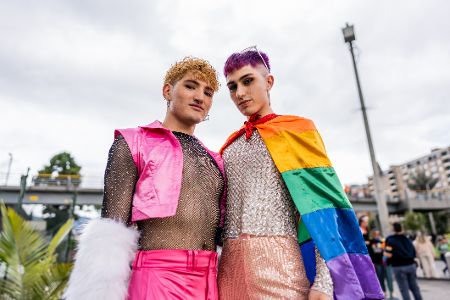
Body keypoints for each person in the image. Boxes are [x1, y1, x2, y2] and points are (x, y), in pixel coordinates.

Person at [217, 47, 383, 300]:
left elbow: (322, 209)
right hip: (229, 274)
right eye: (232, 87)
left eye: (248, 81)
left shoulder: (297, 131)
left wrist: (325, 281)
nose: (240, 93)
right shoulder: (229, 146)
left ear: (269, 81)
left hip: (281, 271)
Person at [64, 57, 226, 300]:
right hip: (157, 277)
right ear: (168, 90)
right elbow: (111, 233)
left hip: (209, 281)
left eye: (208, 92)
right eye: (191, 86)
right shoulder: (132, 142)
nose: (200, 97)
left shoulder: (217, 160)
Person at [385, 223, 423, 300]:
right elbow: (414, 251)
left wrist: (388, 262)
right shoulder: (408, 239)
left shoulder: (390, 240)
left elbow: (388, 254)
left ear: (393, 229)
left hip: (398, 266)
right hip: (411, 265)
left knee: (404, 289)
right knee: (415, 288)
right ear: (401, 228)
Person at [369, 229, 395, 299]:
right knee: (381, 278)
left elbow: (388, 250)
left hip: (386, 263)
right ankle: (384, 292)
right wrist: (372, 262)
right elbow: (370, 253)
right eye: (375, 234)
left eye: (378, 234)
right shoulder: (371, 242)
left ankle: (392, 293)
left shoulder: (384, 241)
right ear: (373, 235)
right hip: (377, 263)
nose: (377, 235)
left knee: (389, 278)